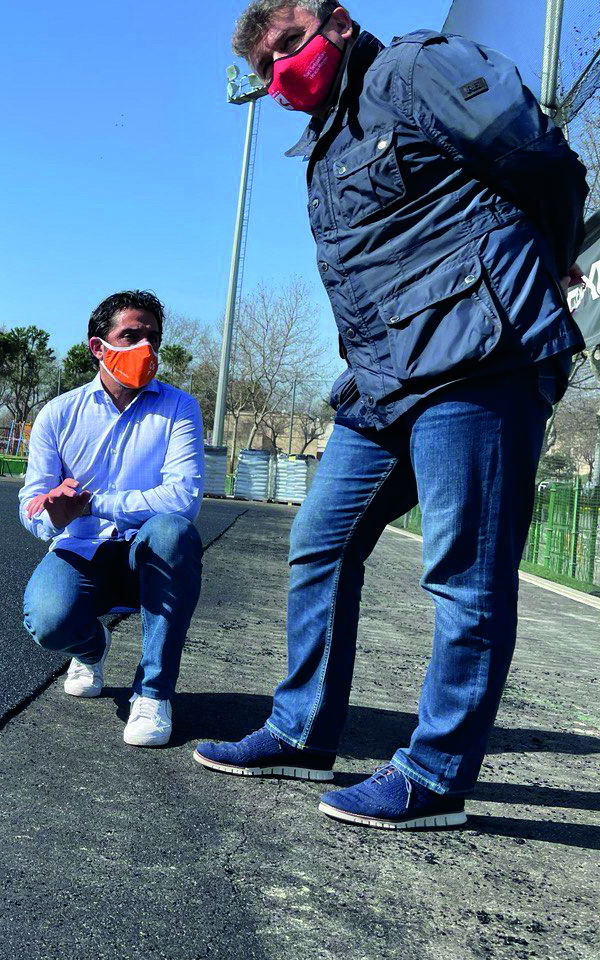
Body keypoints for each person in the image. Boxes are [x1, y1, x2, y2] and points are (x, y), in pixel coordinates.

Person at [195, 1, 589, 829]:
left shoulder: (414, 68)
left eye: (289, 45)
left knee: (464, 573)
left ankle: (436, 776)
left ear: (337, 21)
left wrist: (551, 266)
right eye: (266, 69)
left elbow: (541, 159)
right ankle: (302, 731)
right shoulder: (325, 144)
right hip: (384, 379)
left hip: (480, 353)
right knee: (320, 540)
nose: (280, 73)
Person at [19, 290, 205, 748]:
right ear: (98, 347)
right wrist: (52, 515)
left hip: (149, 553)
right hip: (82, 547)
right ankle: (92, 646)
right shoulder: (58, 414)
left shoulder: (179, 408)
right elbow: (32, 500)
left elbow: (182, 498)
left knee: (174, 531)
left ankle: (153, 693)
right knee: (48, 622)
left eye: (153, 338)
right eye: (131, 335)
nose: (145, 348)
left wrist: (93, 504)